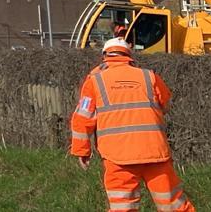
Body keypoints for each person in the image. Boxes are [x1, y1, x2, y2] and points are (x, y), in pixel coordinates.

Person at [70, 38, 195, 212]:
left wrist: (82, 150)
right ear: (129, 56)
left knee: (123, 207)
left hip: (118, 157)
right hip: (155, 153)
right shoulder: (149, 76)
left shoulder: (94, 81)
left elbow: (83, 118)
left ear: (105, 56)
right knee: (173, 204)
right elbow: (165, 104)